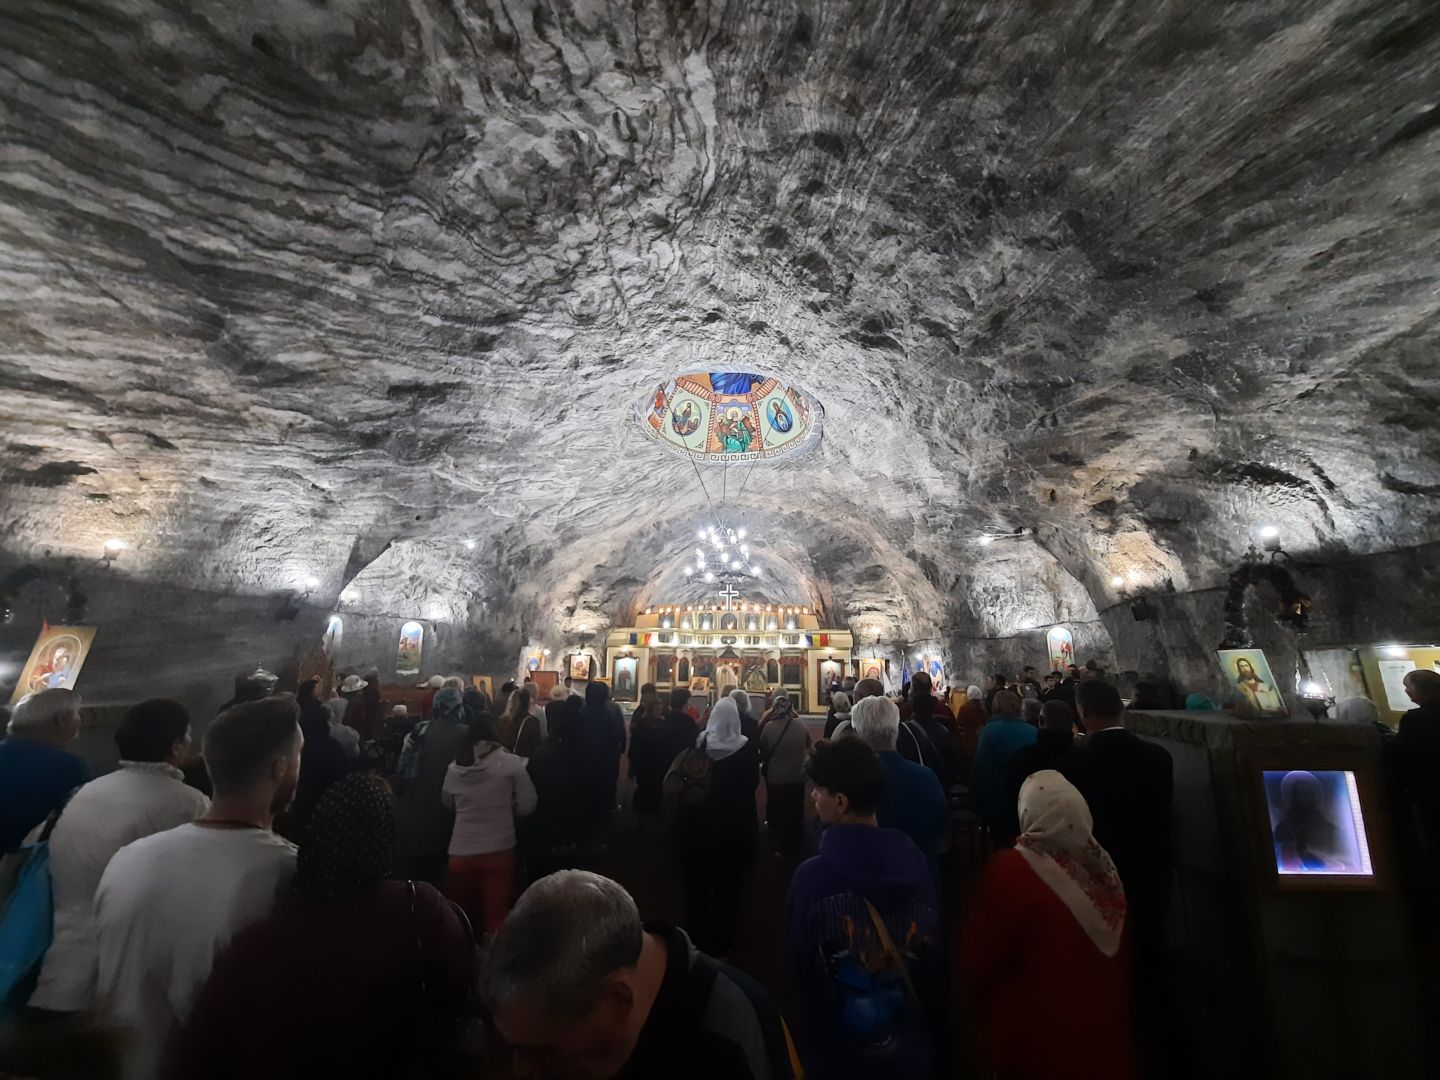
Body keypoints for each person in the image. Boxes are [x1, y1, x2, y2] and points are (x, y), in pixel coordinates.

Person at [163, 773, 476, 1080]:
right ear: (387, 836)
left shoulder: (257, 947)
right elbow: (462, 988)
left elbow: (200, 1054)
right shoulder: (418, 911)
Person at [95, 696, 302, 1080]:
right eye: (298, 757)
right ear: (280, 768)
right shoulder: (287, 872)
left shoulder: (128, 858)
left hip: (117, 1065)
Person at [484, 870, 800, 1080]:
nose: (522, 1073)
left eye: (544, 1052)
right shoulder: (602, 966)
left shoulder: (731, 1035)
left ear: (618, 1000)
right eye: (513, 1050)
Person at [30, 699, 210, 1015]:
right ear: (177, 746)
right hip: (126, 975)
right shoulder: (188, 803)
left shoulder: (86, 791)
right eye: (188, 738)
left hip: (59, 961)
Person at [963, 770, 1134, 1080]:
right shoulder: (1106, 872)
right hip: (1103, 1041)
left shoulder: (1011, 870)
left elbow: (978, 962)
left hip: (1036, 1041)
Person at [786, 739, 941, 1079]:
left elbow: (800, 967)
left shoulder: (812, 878)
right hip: (910, 1052)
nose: (813, 798)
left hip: (838, 1058)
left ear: (840, 802)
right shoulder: (917, 865)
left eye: (819, 790)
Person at [1060, 679, 1174, 1073]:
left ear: (1083, 713)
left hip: (1097, 873)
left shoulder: (1075, 763)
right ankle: (1156, 1036)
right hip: (1150, 867)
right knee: (1149, 948)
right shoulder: (1159, 757)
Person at [677, 698, 759, 956]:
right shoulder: (745, 748)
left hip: (698, 825)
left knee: (696, 887)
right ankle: (723, 943)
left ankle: (696, 938)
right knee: (728, 889)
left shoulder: (701, 741)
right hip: (733, 828)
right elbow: (752, 785)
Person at [442, 715, 537, 934]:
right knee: (496, 920)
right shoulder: (511, 764)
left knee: (459, 919)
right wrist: (507, 808)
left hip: (461, 851)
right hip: (499, 849)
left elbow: (447, 802)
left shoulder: (455, 767)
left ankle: (463, 963)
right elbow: (528, 804)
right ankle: (493, 963)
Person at [850, 696, 947, 871]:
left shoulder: (847, 779)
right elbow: (940, 828)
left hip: (863, 879)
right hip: (917, 876)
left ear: (857, 731)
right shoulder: (925, 777)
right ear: (897, 729)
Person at [394, 685, 473, 886]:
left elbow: (402, 770)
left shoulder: (420, 730)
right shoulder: (468, 735)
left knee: (413, 880)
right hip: (451, 813)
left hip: (414, 810)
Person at [0, 688, 88, 854]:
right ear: (60, 719)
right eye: (77, 713)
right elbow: (75, 825)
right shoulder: (67, 767)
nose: (80, 720)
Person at [284, 678, 349, 842]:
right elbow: (342, 773)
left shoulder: (301, 742)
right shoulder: (332, 746)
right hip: (327, 804)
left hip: (303, 797)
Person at [970, 690, 1037, 845]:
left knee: (1001, 843)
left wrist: (976, 798)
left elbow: (981, 768)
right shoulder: (1032, 731)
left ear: (995, 708)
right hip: (1028, 798)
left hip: (998, 800)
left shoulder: (990, 731)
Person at [1002, 699, 1078, 834]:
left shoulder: (1023, 758)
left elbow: (1012, 801)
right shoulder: (1081, 759)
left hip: (1029, 835)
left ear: (1041, 721)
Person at [1397, 669, 1440, 883]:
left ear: (1421, 689)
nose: (1406, 691)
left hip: (1430, 792)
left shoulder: (1416, 719)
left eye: (1408, 686)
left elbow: (1405, 756)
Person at [759, 688, 812, 856]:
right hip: (797, 774)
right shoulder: (802, 724)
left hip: (776, 777)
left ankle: (780, 845)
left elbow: (763, 748)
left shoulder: (769, 727)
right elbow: (809, 745)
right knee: (796, 808)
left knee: (780, 810)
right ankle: (797, 842)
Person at [627, 687, 677, 818]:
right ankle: (643, 816)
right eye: (656, 709)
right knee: (645, 787)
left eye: (660, 709)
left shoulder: (662, 724)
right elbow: (635, 743)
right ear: (650, 710)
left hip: (656, 761)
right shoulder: (643, 724)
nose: (659, 711)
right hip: (646, 761)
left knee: (654, 787)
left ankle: (650, 814)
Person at [580, 682, 627, 820]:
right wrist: (621, 745)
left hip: (586, 755)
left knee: (589, 783)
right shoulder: (610, 712)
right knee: (607, 783)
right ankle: (607, 809)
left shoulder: (582, 711)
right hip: (607, 755)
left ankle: (589, 810)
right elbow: (618, 732)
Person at [499, 687, 543, 758]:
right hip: (524, 762)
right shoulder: (532, 722)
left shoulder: (503, 720)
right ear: (528, 702)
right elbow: (537, 746)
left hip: (506, 761)